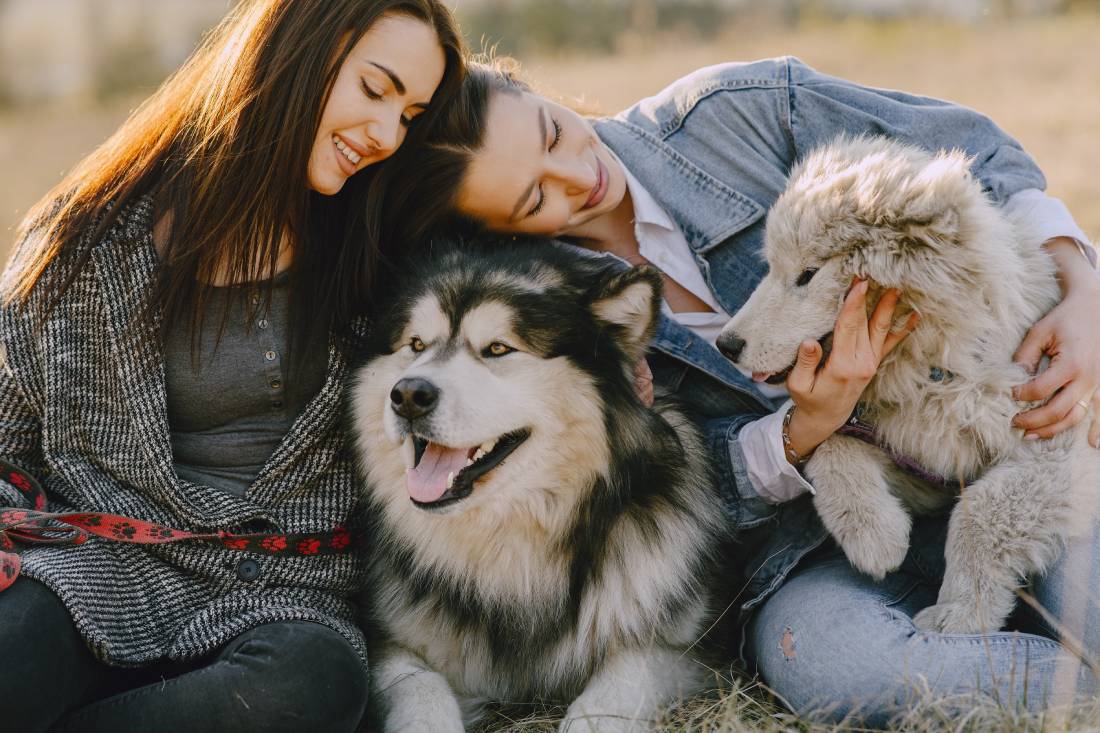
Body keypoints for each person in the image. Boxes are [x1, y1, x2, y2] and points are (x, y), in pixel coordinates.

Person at [389, 57, 1100, 724]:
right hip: (817, 547)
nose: (576, 176)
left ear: (540, 93)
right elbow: (689, 493)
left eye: (551, 131)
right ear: (503, 235)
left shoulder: (733, 112)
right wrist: (808, 427)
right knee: (834, 665)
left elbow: (974, 151)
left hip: (1007, 448)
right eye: (534, 197)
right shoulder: (552, 317)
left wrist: (1084, 287)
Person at [0, 2, 463, 731]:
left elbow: (523, 260)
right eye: (375, 90)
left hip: (282, 597)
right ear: (294, 52)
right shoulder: (85, 246)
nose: (384, 136)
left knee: (311, 686)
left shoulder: (384, 250)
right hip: (101, 569)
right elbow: (8, 441)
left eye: (408, 115)